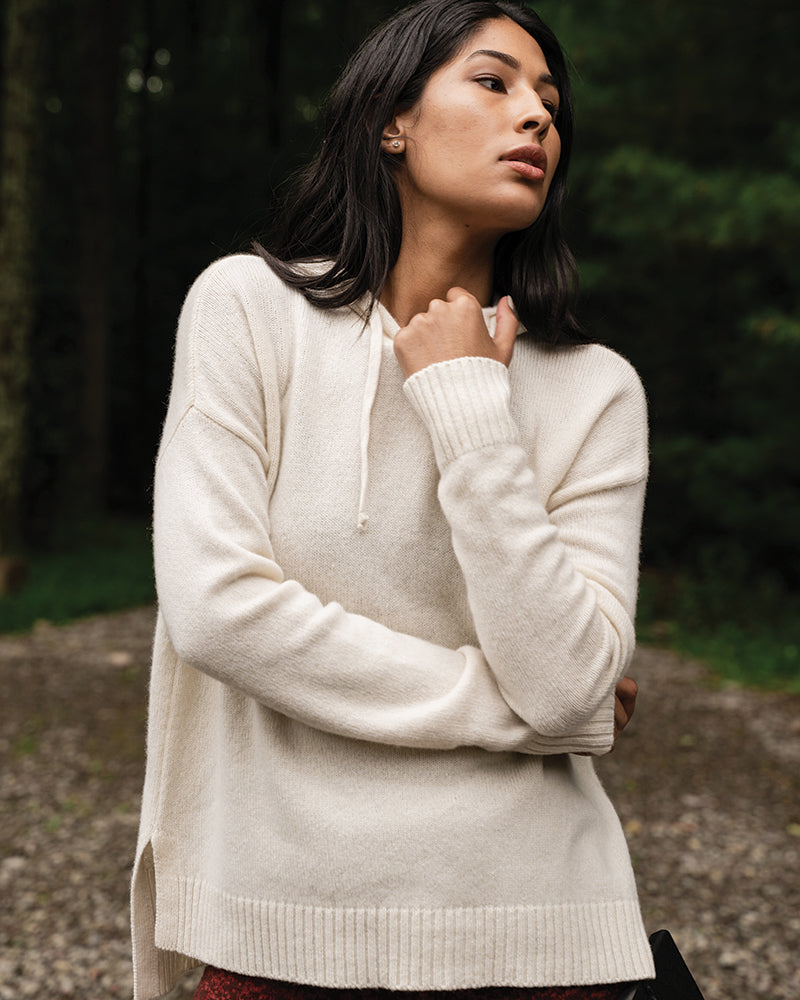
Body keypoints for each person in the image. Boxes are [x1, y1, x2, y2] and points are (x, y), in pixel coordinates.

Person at [130, 1, 655, 998]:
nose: (537, 117)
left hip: (539, 926)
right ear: (392, 121)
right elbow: (216, 611)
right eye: (494, 82)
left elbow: (564, 683)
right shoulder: (247, 309)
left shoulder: (596, 388)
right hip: (284, 922)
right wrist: (516, 715)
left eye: (549, 100)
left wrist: (466, 404)